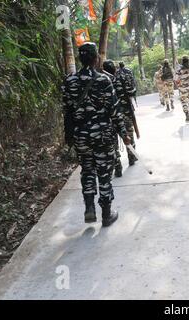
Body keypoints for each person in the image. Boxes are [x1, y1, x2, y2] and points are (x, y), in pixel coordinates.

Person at [62, 42, 131, 227]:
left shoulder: (69, 82)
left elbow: (67, 111)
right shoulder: (104, 80)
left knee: (87, 171)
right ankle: (107, 215)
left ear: (80, 58)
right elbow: (114, 111)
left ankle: (90, 208)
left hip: (81, 136)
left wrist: (69, 136)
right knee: (104, 174)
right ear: (95, 59)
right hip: (102, 135)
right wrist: (124, 133)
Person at [115, 62, 139, 166]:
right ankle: (131, 156)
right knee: (129, 133)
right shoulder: (123, 76)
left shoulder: (103, 80)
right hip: (125, 111)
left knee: (113, 139)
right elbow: (132, 91)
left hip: (110, 115)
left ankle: (117, 165)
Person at [102, 60, 123, 178]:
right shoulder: (115, 79)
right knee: (114, 142)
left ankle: (116, 165)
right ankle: (118, 165)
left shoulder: (101, 80)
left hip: (104, 121)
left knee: (110, 146)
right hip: (115, 116)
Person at [175, 56, 189, 124]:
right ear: (188, 61)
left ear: (182, 61)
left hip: (182, 89)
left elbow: (176, 79)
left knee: (184, 102)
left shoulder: (179, 70)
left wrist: (179, 85)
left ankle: (187, 115)